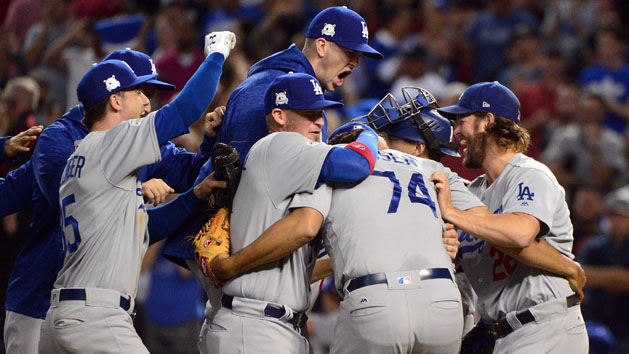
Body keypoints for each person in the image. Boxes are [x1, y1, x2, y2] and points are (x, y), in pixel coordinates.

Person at [2, 48, 222, 354]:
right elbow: (66, 194)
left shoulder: (132, 142)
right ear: (114, 96)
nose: (149, 102)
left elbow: (186, 180)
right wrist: (133, 190)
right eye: (141, 90)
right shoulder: (63, 139)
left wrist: (208, 145)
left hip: (84, 302)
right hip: (39, 298)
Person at [200, 72, 379, 354]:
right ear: (280, 116)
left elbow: (290, 267)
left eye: (321, 112)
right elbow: (356, 163)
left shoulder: (296, 167)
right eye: (309, 113)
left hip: (261, 324)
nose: (320, 121)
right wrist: (367, 133)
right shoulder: (280, 144)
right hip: (255, 327)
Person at [433, 81, 589, 353]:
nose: (455, 132)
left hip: (545, 325)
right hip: (504, 333)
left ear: (488, 121)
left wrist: (451, 213)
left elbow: (520, 234)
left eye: (462, 121)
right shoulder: (474, 191)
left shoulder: (530, 174)